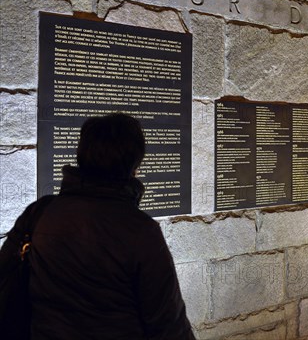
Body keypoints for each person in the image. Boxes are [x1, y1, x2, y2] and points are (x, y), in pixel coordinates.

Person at [0, 113, 195, 339]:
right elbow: (168, 323)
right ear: (134, 165)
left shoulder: (40, 212)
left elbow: (5, 271)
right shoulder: (140, 230)